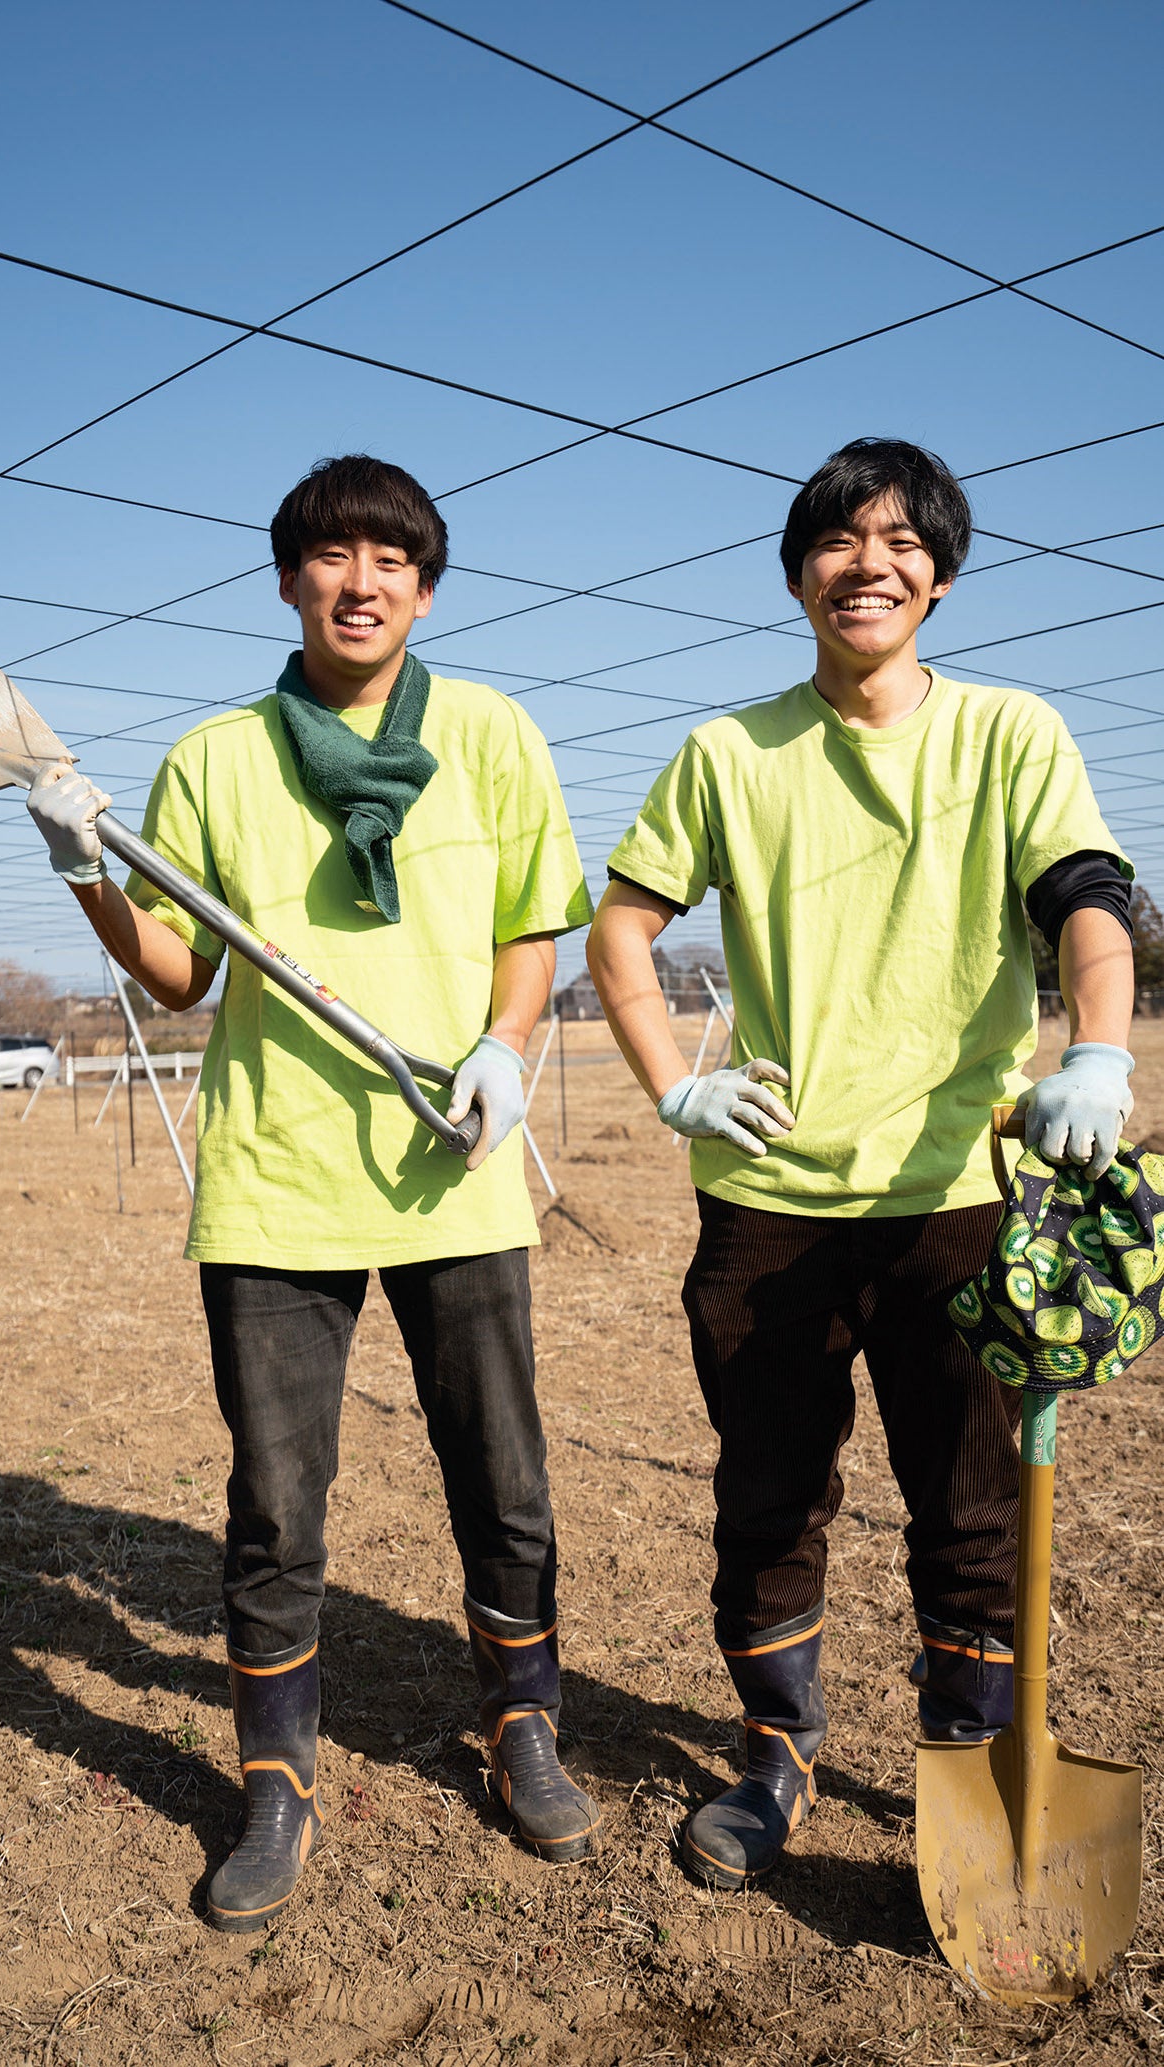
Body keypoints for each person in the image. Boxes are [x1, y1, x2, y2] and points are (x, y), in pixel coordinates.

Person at [25, 454, 599, 1931]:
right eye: (332, 556)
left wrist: (506, 1046)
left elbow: (536, 922)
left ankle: (522, 1724)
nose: (362, 581)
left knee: (506, 1481)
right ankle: (275, 1777)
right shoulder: (217, 759)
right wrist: (87, 871)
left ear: (425, 584)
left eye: (391, 559)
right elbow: (175, 976)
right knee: (277, 1509)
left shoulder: (491, 735)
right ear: (289, 580)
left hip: (453, 1173)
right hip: (279, 1188)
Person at [586, 437, 1134, 1892]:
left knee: (972, 1508)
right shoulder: (726, 752)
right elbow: (620, 927)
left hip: (960, 1198)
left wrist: (1100, 1048)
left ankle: (973, 1757)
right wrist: (675, 1088)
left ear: (939, 577)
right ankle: (778, 1753)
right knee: (770, 1495)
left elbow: (1086, 897)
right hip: (766, 1211)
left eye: (900, 540)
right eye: (837, 539)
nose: (867, 561)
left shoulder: (1009, 734)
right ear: (798, 574)